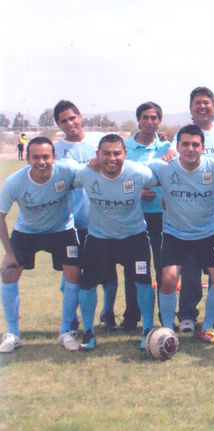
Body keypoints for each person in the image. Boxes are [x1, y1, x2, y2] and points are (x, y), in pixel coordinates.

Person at [148, 125, 214, 347]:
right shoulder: (162, 167)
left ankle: (207, 328)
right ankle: (169, 329)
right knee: (168, 278)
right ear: (177, 147)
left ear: (203, 147)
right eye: (185, 144)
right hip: (174, 234)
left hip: (208, 233)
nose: (190, 148)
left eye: (195, 144)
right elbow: (133, 171)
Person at [72, 134, 158, 350]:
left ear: (125, 154)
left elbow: (161, 178)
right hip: (100, 238)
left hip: (134, 237)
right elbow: (64, 183)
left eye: (117, 153)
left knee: (143, 282)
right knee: (88, 283)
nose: (112, 158)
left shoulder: (139, 172)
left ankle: (147, 329)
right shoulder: (85, 173)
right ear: (97, 155)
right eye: (106, 153)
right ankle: (88, 332)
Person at [0, 137, 81, 352]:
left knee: (74, 272)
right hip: (28, 231)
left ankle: (66, 331)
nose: (41, 162)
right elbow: (0, 216)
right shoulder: (14, 182)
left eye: (46, 156)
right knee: (8, 272)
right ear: (27, 159)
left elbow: (91, 174)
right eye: (35, 157)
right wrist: (8, 253)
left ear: (54, 157)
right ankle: (13, 333)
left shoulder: (67, 170)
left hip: (62, 230)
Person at [175, 87, 214, 333]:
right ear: (190, 108)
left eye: (207, 103)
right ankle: (187, 316)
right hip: (192, 219)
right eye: (197, 103)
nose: (202, 106)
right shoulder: (182, 136)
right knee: (190, 271)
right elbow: (171, 160)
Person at [53, 100, 117, 332]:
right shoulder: (57, 150)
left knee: (108, 272)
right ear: (58, 124)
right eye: (63, 121)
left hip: (101, 221)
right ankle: (72, 317)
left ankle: (108, 312)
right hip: (70, 223)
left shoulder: (97, 144)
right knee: (70, 274)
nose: (70, 123)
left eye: (72, 118)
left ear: (80, 116)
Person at [118, 102, 171, 331]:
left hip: (162, 216)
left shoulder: (168, 147)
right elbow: (116, 179)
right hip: (134, 216)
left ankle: (165, 317)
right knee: (135, 269)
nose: (150, 122)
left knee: (163, 267)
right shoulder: (125, 147)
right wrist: (137, 192)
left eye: (154, 118)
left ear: (159, 120)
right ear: (138, 120)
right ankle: (132, 317)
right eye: (145, 117)